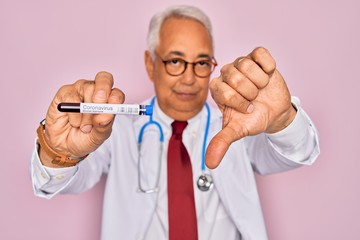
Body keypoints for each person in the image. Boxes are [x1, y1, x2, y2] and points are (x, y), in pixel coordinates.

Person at [31, 4, 320, 240]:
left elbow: (297, 153)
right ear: (150, 63)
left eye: (202, 62)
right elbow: (66, 180)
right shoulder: (112, 128)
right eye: (175, 61)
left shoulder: (236, 123)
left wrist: (283, 119)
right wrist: (58, 153)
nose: (190, 78)